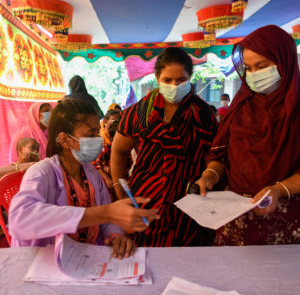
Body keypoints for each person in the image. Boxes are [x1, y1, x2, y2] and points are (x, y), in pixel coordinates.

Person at [8, 99, 159, 258]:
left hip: (86, 259)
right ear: (65, 140)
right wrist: (105, 213)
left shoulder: (91, 174)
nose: (98, 139)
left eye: (97, 133)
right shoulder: (42, 173)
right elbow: (20, 219)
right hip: (45, 262)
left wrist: (116, 236)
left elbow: (108, 221)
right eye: (90, 134)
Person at [196, 25, 300, 245]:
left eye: (262, 66)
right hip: (236, 220)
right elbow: (220, 156)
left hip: (287, 220)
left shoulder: (296, 110)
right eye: (249, 68)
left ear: (285, 61)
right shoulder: (241, 106)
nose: (254, 75)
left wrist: (279, 190)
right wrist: (210, 176)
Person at [111, 47, 218, 247]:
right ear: (157, 77)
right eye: (168, 80)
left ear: (190, 77)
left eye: (181, 80)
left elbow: (215, 156)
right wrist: (120, 190)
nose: (174, 85)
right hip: (145, 200)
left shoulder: (203, 114)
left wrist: (209, 177)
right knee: (146, 258)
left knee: (187, 262)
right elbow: (119, 151)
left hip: (188, 205)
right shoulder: (140, 112)